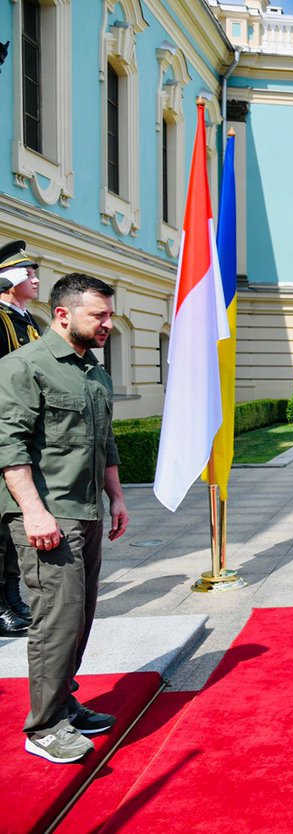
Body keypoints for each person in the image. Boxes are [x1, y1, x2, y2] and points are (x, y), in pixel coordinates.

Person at [0, 273, 128, 764]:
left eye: (109, 314)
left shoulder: (93, 370)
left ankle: (63, 701)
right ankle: (44, 726)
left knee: (79, 615)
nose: (107, 324)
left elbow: (105, 440)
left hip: (87, 508)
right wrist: (34, 512)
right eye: (99, 315)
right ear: (62, 314)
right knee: (56, 618)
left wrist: (116, 497)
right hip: (47, 514)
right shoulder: (23, 367)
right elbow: (9, 447)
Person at [0, 240, 42, 636]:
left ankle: (12, 598)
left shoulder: (29, 320)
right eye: (28, 273)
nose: (35, 279)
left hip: (26, 432)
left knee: (13, 531)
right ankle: (1, 604)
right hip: (5, 431)